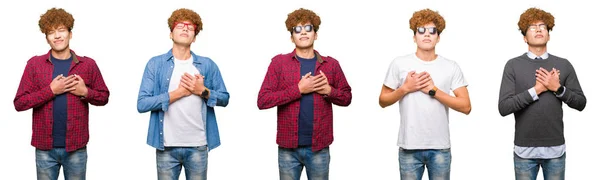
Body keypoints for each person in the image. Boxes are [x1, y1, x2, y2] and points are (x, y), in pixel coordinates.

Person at [13, 7, 110, 180]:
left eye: (61, 30)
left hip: (76, 148)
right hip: (44, 149)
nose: (57, 36)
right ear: (46, 38)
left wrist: (85, 92)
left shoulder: (87, 64)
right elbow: (19, 103)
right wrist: (50, 91)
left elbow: (104, 96)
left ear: (70, 34)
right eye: (51, 32)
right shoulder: (34, 65)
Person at [257, 8, 352, 180]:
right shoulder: (279, 63)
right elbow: (263, 100)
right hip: (288, 149)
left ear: (315, 34)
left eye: (308, 28)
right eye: (297, 29)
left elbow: (347, 97)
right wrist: (298, 90)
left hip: (319, 147)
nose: (303, 32)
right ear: (291, 36)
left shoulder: (331, 65)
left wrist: (329, 91)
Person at [137, 8, 230, 180]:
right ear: (171, 34)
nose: (185, 28)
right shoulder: (155, 64)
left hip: (198, 146)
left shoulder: (207, 65)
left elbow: (225, 98)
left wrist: (202, 91)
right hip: (166, 147)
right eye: (180, 25)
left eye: (190, 26)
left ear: (194, 37)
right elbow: (142, 104)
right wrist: (178, 93)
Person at [378, 9, 471, 180]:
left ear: (438, 37)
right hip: (408, 148)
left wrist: (433, 91)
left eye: (432, 31)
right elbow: (382, 100)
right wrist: (405, 88)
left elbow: (466, 106)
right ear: (414, 37)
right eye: (421, 30)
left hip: (440, 148)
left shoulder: (451, 66)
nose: (426, 34)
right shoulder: (399, 63)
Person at [498, 7, 586, 180]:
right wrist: (537, 89)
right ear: (524, 37)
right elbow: (504, 107)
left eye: (542, 26)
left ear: (548, 34)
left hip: (555, 150)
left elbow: (581, 103)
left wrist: (558, 88)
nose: (538, 29)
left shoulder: (564, 64)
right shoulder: (513, 65)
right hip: (524, 151)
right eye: (532, 27)